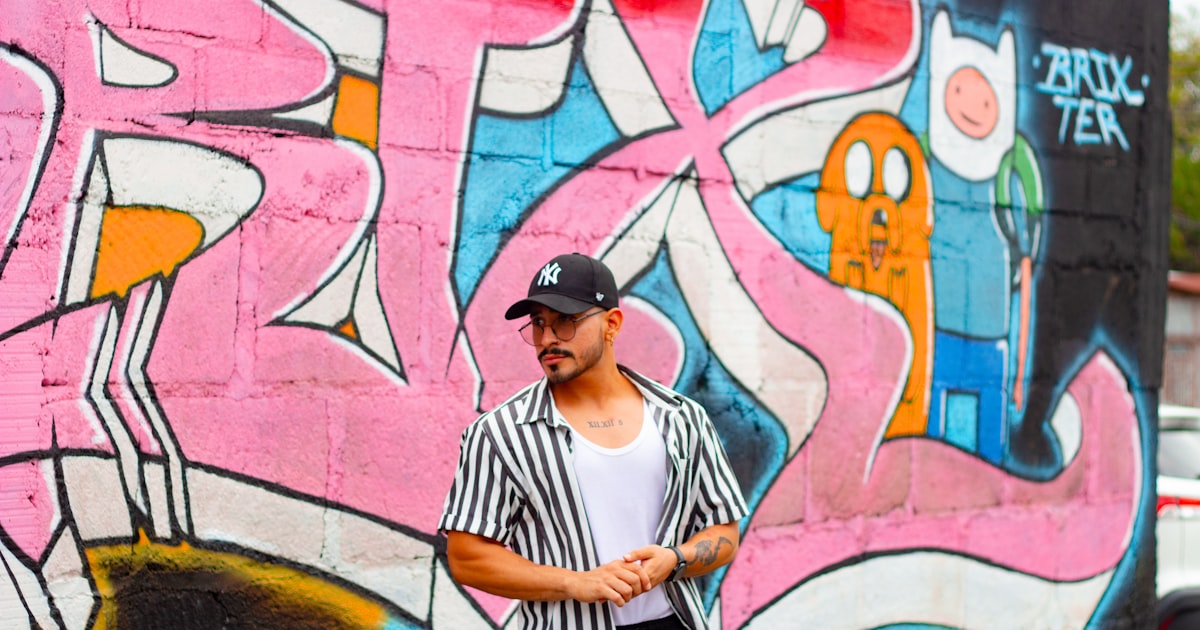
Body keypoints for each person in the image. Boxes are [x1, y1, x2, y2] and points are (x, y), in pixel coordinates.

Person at [439, 253, 748, 630]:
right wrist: (575, 582)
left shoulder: (681, 417)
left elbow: (724, 532)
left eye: (566, 321)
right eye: (538, 323)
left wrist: (675, 558)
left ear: (612, 324)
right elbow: (467, 558)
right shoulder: (499, 433)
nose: (548, 339)